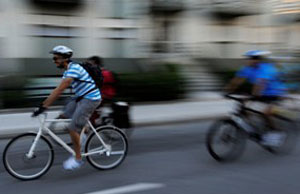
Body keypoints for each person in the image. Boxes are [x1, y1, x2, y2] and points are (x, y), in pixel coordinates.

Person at [32, 45, 101, 170]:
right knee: (66, 114)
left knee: (72, 128)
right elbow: (58, 90)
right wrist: (44, 104)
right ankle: (83, 131)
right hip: (81, 97)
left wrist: (44, 106)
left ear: (64, 58)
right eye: (53, 58)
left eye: (56, 58)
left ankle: (78, 159)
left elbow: (59, 90)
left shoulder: (73, 69)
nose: (54, 61)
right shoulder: (68, 70)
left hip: (91, 98)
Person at [226, 50, 287, 146]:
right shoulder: (247, 68)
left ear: (257, 60)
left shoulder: (266, 69)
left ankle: (276, 133)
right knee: (245, 107)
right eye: (248, 59)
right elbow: (237, 80)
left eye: (250, 59)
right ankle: (254, 128)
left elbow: (260, 83)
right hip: (263, 92)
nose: (247, 61)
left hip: (276, 92)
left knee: (266, 113)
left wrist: (253, 95)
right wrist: (227, 91)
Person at [86, 56, 117, 126]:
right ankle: (95, 121)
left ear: (94, 63)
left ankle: (94, 123)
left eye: (90, 64)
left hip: (106, 94)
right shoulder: (102, 71)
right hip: (105, 94)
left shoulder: (103, 73)